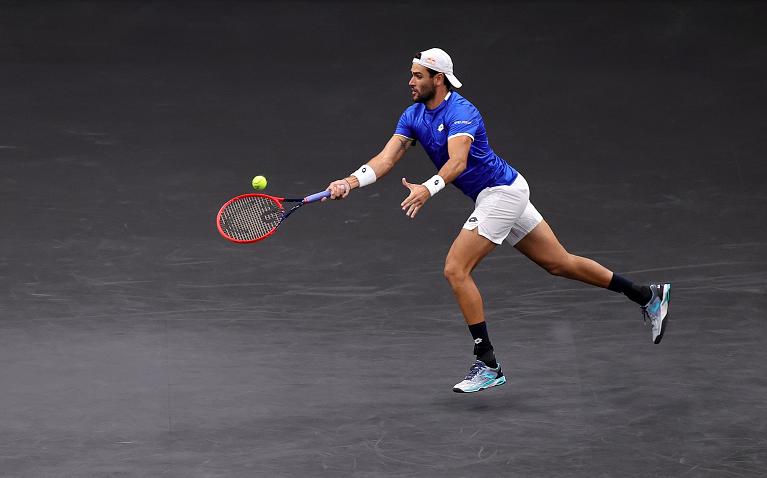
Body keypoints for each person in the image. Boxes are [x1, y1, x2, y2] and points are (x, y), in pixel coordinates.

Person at [324, 48, 671, 394]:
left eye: (418, 75)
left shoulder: (462, 112)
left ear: (437, 78)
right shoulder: (413, 116)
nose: (410, 81)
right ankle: (646, 295)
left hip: (501, 192)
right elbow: (386, 159)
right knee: (559, 263)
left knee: (455, 269)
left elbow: (457, 162)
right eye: (412, 74)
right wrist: (348, 182)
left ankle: (487, 362)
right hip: (504, 192)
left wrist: (428, 190)